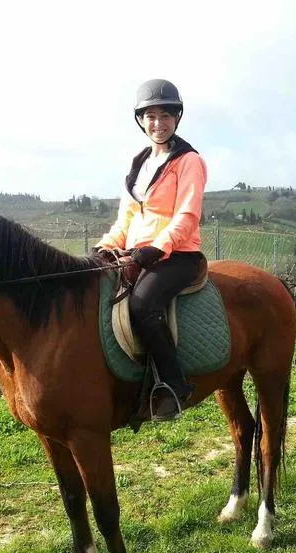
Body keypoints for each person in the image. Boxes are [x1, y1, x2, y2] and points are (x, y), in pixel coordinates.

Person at [93, 78, 207, 421]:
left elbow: (187, 215)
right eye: (151, 116)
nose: (158, 123)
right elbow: (127, 217)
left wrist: (158, 248)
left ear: (177, 117)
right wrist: (106, 245)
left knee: (143, 304)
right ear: (140, 120)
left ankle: (174, 384)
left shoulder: (189, 161)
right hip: (138, 252)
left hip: (179, 254)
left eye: (166, 115)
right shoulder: (139, 164)